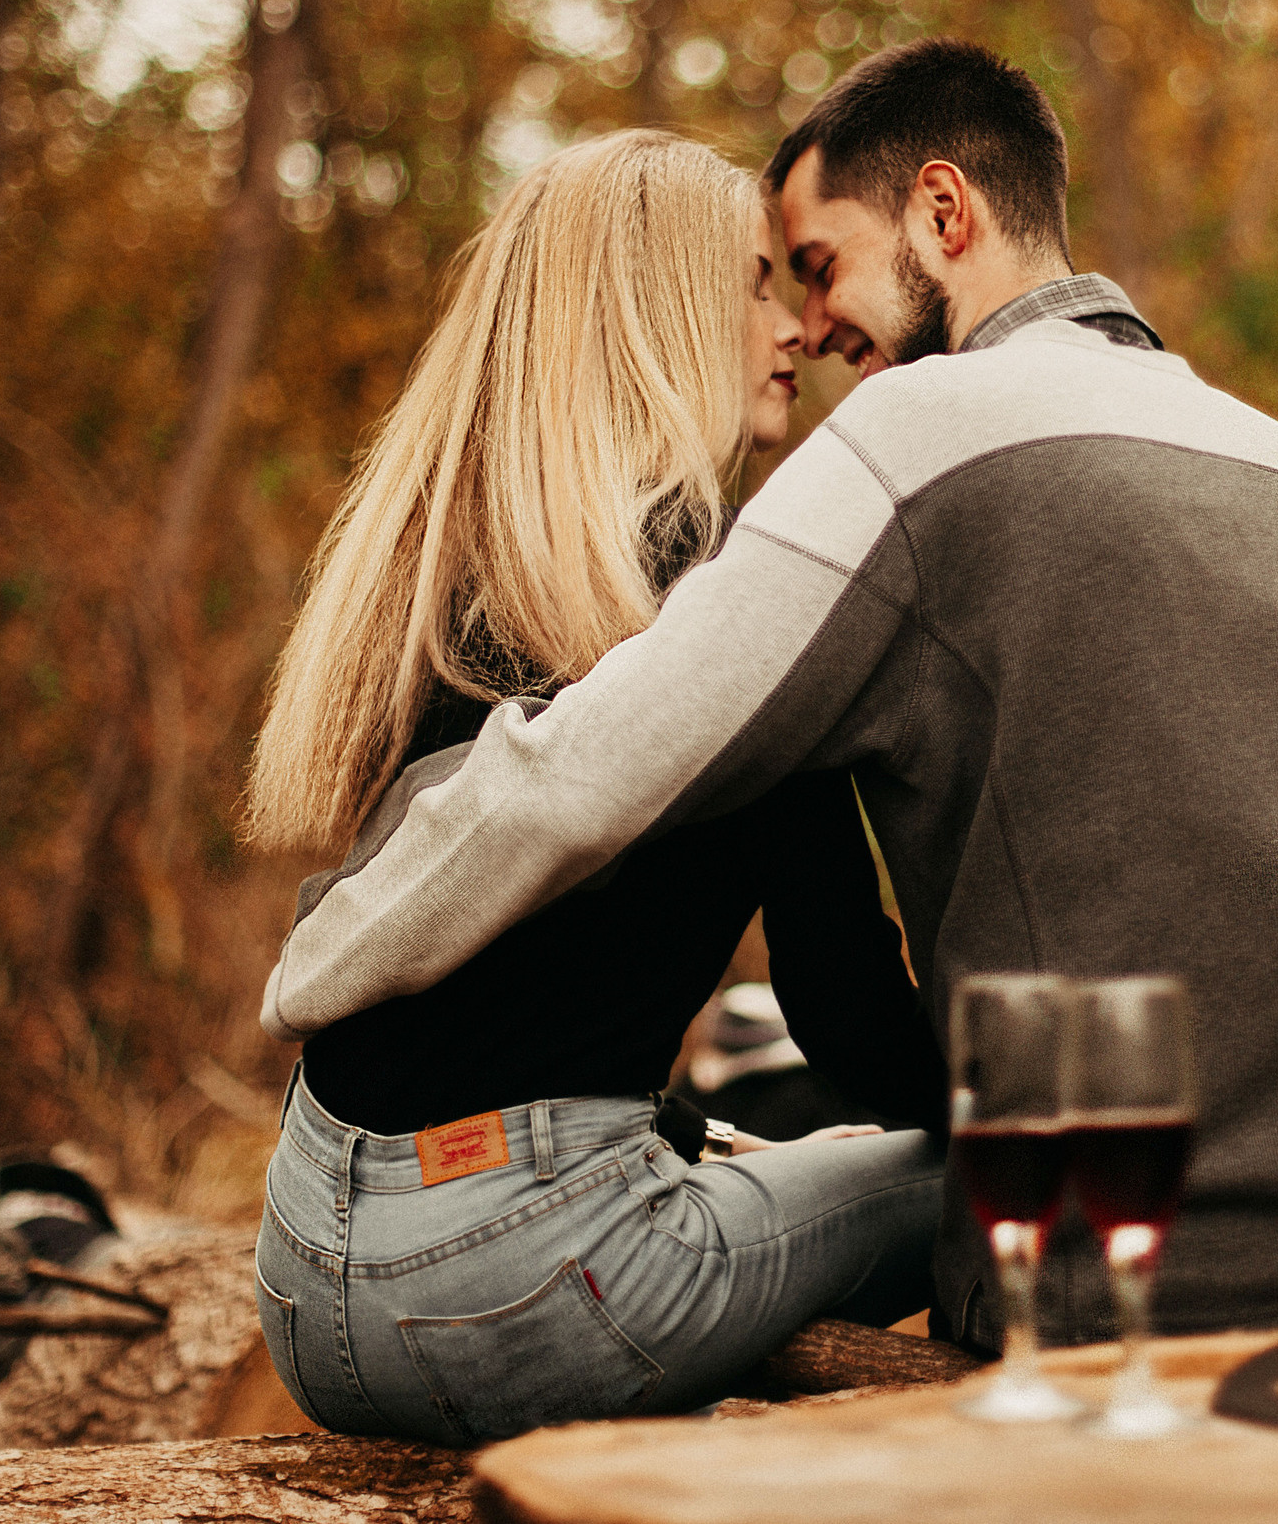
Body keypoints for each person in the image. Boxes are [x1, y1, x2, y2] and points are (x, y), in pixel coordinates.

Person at [262, 40, 1278, 1350]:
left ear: (945, 215)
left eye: (820, 269)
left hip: (1172, 1276)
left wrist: (325, 955)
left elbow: (576, 777)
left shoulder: (914, 438)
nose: (815, 330)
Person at [240, 129, 947, 1446]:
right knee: (1000, 1188)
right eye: (750, 284)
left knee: (758, 1152)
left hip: (298, 1268)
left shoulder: (450, 574)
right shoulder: (731, 609)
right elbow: (846, 1015)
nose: (791, 323)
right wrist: (1016, 1111)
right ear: (660, 313)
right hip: (517, 1286)